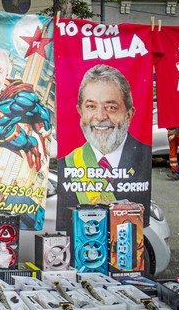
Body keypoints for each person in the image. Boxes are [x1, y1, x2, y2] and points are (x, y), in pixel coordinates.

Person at [58, 65, 152, 228]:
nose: (100, 117)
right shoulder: (66, 164)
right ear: (80, 112)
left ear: (129, 115)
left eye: (110, 107)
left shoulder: (144, 156)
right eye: (91, 107)